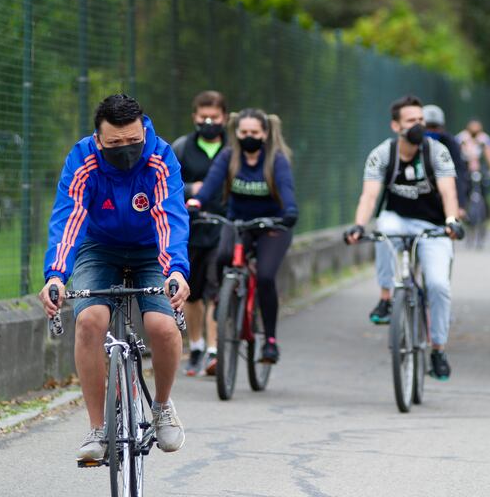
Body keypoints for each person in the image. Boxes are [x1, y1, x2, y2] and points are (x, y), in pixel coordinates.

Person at [37, 94, 190, 462]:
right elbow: (69, 216)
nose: (125, 149)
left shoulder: (160, 157)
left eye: (133, 141)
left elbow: (170, 215)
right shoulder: (83, 159)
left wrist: (175, 271)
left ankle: (163, 407)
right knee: (89, 320)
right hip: (99, 248)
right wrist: (56, 275)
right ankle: (97, 429)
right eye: (114, 144)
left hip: (151, 250)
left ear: (143, 130)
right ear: (98, 138)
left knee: (163, 326)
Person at [344, 95, 464, 380]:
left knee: (438, 285)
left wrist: (451, 221)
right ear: (395, 126)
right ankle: (386, 297)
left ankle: (437, 349)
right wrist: (359, 226)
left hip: (434, 226)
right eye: (412, 121)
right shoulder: (382, 154)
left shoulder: (437, 153)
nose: (418, 125)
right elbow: (370, 195)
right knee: (384, 230)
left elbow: (449, 191)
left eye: (421, 120)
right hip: (398, 219)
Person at [189, 108, 297, 364]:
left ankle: (269, 341)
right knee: (223, 255)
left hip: (273, 225)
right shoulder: (230, 157)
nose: (249, 136)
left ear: (265, 133)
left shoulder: (276, 159)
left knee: (265, 276)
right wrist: (196, 202)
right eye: (244, 132)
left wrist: (290, 211)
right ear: (236, 133)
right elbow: (211, 184)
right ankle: (224, 299)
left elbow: (286, 188)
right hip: (239, 222)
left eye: (255, 132)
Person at [171, 91, 229, 377]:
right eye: (203, 117)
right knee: (192, 295)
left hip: (222, 227)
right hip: (190, 228)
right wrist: (193, 190)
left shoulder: (233, 148)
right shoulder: (182, 148)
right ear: (195, 117)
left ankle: (213, 352)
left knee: (215, 290)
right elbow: (167, 184)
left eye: (215, 118)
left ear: (225, 118)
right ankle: (195, 346)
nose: (209, 122)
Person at [423, 104, 470, 217]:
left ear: (442, 127)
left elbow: (458, 171)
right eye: (427, 127)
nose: (431, 131)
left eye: (435, 127)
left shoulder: (450, 143)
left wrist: (460, 205)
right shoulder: (413, 144)